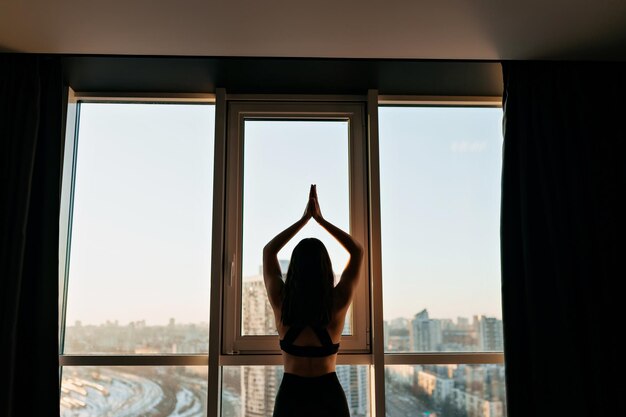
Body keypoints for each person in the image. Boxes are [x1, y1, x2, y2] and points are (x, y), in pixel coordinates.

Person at [263, 184, 363, 417]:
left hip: (291, 397)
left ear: (294, 269)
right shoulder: (337, 303)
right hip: (329, 396)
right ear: (326, 269)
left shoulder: (281, 302)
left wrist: (303, 220)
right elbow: (357, 251)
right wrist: (320, 220)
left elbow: (269, 251)